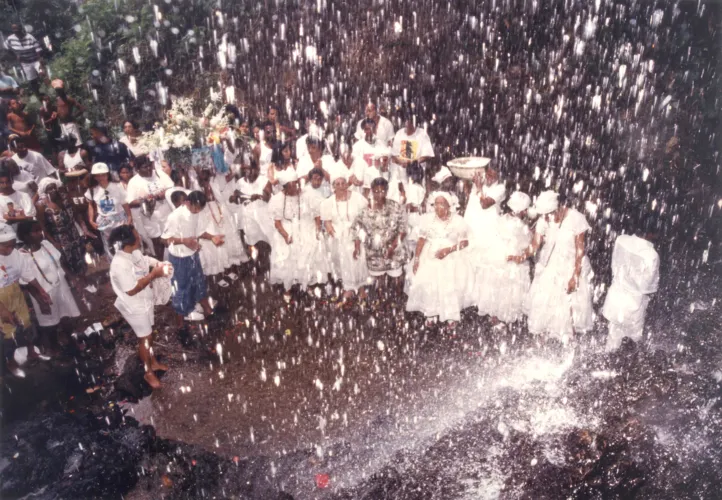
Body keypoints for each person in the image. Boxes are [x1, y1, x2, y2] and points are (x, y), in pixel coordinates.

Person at [508, 191, 594, 343]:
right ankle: (547, 342)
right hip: (550, 265)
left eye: (548, 214)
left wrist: (575, 276)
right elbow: (534, 245)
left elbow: (580, 251)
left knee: (570, 306)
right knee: (545, 302)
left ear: (558, 207)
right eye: (543, 214)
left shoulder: (576, 219)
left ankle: (570, 343)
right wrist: (520, 257)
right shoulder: (543, 220)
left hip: (571, 266)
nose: (546, 218)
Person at [108, 225, 170, 389]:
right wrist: (154, 274)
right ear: (128, 242)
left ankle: (153, 361)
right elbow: (132, 290)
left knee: (149, 334)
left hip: (144, 301)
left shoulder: (132, 252)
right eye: (136, 236)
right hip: (134, 306)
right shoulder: (119, 264)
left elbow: (144, 261)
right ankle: (148, 372)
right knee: (145, 338)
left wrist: (158, 264)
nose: (139, 237)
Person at [406, 192, 472, 326]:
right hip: (430, 255)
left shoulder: (458, 220)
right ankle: (431, 312)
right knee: (430, 283)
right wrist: (417, 259)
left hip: (452, 255)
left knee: (449, 284)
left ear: (448, 205)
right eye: (435, 204)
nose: (437, 207)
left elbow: (465, 242)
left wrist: (448, 250)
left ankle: (451, 315)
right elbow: (421, 240)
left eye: (441, 204)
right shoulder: (426, 219)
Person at [16, 221, 81, 347]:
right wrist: (40, 301)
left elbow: (59, 263)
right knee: (51, 323)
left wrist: (73, 278)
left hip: (61, 286)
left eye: (40, 230)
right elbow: (27, 282)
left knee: (66, 315)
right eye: (35, 231)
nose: (40, 233)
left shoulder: (46, 244)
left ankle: (70, 342)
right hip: (44, 293)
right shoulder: (22, 256)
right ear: (25, 235)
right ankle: (54, 347)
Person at [0, 224, 52, 378]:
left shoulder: (16, 254)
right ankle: (10, 362)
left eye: (12, 245)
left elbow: (27, 274)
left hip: (15, 292)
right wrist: (3, 310)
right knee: (7, 332)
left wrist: (41, 291)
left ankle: (31, 352)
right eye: (5, 247)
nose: (9, 250)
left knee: (26, 322)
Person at [161, 191, 217, 322]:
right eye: (195, 208)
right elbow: (164, 240)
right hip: (179, 257)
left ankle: (201, 305)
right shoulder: (175, 216)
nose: (197, 212)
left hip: (192, 254)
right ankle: (182, 314)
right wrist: (184, 241)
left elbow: (198, 232)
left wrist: (212, 237)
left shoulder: (196, 212)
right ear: (187, 202)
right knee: (181, 286)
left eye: (200, 209)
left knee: (198, 281)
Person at [268, 169, 328, 291]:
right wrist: (285, 235)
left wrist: (317, 230)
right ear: (284, 187)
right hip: (287, 228)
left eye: (296, 183)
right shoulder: (277, 199)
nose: (296, 187)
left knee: (313, 242)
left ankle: (307, 280)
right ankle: (289, 283)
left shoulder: (307, 195)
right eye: (292, 185)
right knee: (288, 248)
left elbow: (317, 215)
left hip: (307, 225)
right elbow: (277, 222)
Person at [352, 177, 408, 299]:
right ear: (371, 191)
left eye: (382, 191)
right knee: (379, 282)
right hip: (374, 253)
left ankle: (396, 301)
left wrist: (392, 247)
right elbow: (356, 228)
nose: (379, 194)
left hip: (394, 251)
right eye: (376, 191)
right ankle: (382, 303)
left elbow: (403, 229)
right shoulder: (365, 210)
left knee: (396, 279)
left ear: (387, 191)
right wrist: (356, 247)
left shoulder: (395, 207)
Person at [602, 232, 659, 351]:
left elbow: (614, 265)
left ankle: (608, 362)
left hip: (615, 298)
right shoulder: (652, 255)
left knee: (613, 337)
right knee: (632, 342)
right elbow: (648, 286)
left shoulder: (621, 240)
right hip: (634, 305)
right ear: (653, 234)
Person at [320, 172, 369, 305]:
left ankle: (360, 287)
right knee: (344, 253)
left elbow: (364, 217)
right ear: (333, 186)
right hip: (337, 235)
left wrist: (355, 233)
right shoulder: (328, 202)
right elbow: (327, 223)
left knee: (356, 254)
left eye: (343, 183)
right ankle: (348, 287)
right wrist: (335, 234)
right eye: (337, 184)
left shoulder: (357, 198)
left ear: (347, 184)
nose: (341, 186)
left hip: (356, 231)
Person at [466, 168, 507, 320]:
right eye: (487, 173)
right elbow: (471, 204)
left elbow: (484, 204)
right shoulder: (480, 184)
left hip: (489, 230)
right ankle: (472, 299)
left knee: (485, 265)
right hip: (475, 228)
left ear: (498, 175)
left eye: (492, 174)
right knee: (471, 262)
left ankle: (484, 303)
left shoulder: (500, 188)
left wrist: (478, 187)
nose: (489, 176)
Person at [196, 166, 247, 275]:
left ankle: (230, 265)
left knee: (227, 238)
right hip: (208, 215)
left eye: (206, 178)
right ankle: (221, 269)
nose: (204, 180)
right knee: (215, 240)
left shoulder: (215, 183)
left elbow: (221, 196)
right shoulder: (197, 188)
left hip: (221, 212)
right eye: (201, 178)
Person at [492, 191, 533, 324]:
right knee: (512, 287)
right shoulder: (520, 225)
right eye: (525, 209)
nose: (526, 212)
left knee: (500, 286)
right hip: (513, 257)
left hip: (500, 256)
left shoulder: (502, 218)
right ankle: (509, 315)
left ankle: (497, 316)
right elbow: (526, 243)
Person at [126, 155, 174, 258]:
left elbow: (171, 186)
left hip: (166, 213)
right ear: (137, 169)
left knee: (171, 237)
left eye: (149, 166)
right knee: (157, 242)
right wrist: (144, 200)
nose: (148, 169)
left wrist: (164, 193)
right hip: (150, 217)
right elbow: (130, 202)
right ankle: (161, 265)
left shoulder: (159, 173)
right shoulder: (133, 182)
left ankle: (174, 261)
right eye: (144, 167)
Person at [85, 162, 131, 257]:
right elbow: (90, 205)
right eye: (98, 175)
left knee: (124, 245)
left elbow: (125, 204)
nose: (101, 177)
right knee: (110, 246)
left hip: (120, 220)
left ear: (108, 174)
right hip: (104, 222)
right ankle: (115, 267)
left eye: (103, 175)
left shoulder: (117, 186)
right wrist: (91, 220)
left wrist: (130, 218)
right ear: (94, 176)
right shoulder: (92, 190)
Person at [233, 160, 273, 265]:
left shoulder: (263, 180)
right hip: (247, 215)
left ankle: (267, 262)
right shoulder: (240, 182)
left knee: (266, 238)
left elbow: (268, 197)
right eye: (246, 169)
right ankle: (255, 263)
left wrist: (259, 196)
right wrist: (237, 198)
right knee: (250, 239)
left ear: (256, 169)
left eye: (250, 169)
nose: (248, 172)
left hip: (262, 215)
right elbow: (233, 198)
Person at [391, 108, 434, 187]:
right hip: (401, 173)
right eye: (406, 121)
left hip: (416, 173)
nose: (407, 123)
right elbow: (394, 155)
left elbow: (427, 155)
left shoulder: (422, 134)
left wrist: (413, 162)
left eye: (409, 121)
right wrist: (401, 162)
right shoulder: (399, 133)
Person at [3, 24, 44, 95]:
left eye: (18, 31)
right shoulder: (10, 39)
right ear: (13, 31)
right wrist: (14, 55)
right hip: (25, 63)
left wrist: (41, 63)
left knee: (43, 73)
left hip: (35, 60)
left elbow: (38, 50)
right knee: (32, 79)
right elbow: (5, 47)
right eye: (15, 31)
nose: (17, 33)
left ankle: (49, 90)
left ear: (21, 29)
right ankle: (38, 94)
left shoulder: (29, 37)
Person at [51, 79, 84, 145]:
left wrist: (74, 116)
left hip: (70, 123)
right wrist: (55, 114)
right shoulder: (57, 99)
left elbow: (81, 108)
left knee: (77, 143)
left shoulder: (68, 99)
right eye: (57, 90)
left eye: (59, 89)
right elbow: (58, 110)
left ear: (63, 89)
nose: (58, 91)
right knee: (67, 144)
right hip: (62, 124)